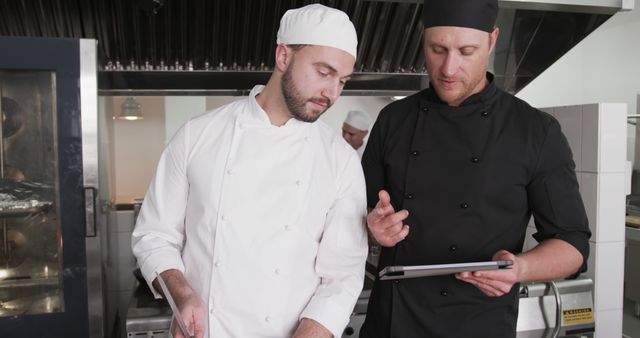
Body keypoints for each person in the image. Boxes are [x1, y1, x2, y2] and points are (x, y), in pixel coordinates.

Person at [131, 4, 368, 338]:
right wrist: (182, 296)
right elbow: (154, 236)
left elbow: (343, 275)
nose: (332, 93)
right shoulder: (198, 135)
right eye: (323, 72)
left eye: (342, 81)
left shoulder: (340, 161)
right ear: (283, 56)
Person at [359, 0, 591, 337]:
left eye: (466, 51)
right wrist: (372, 226)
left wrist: (521, 267)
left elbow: (573, 245)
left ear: (492, 40)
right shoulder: (393, 120)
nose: (448, 68)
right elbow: (356, 213)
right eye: (437, 49)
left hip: (479, 324)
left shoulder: (536, 131)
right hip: (393, 319)